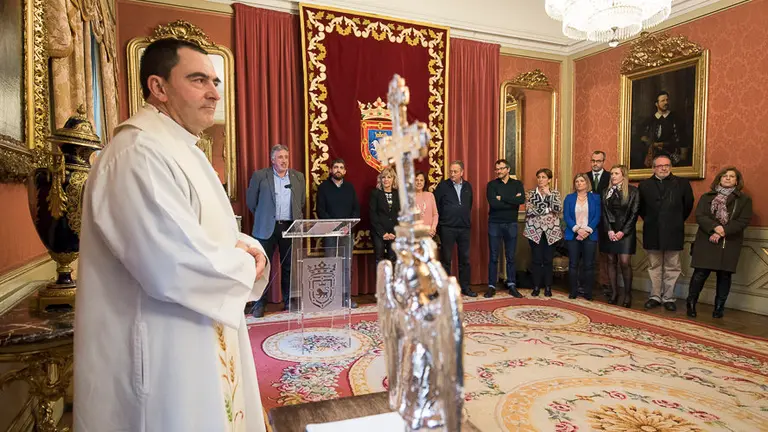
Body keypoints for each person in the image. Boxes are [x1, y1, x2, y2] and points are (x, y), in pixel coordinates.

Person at [74, 38, 270, 432]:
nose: (215, 92)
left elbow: (217, 231)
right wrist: (247, 259)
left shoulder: (184, 148)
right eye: (199, 80)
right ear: (158, 87)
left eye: (215, 81)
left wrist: (248, 245)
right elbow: (170, 261)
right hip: (162, 346)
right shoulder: (137, 153)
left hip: (196, 334)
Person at [246, 144, 306, 317]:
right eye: (280, 157)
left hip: (289, 226)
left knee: (289, 266)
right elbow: (251, 202)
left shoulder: (298, 177)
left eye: (286, 157)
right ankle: (259, 303)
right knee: (262, 266)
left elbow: (300, 201)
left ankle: (289, 301)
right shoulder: (260, 176)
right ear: (272, 160)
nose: (284, 160)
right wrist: (264, 215)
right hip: (266, 227)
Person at [687, 167, 752, 318]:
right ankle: (691, 304)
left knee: (724, 276)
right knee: (700, 274)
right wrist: (715, 228)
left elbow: (743, 221)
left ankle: (719, 308)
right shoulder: (706, 197)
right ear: (719, 178)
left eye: (731, 176)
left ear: (737, 181)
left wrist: (723, 231)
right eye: (725, 176)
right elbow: (700, 215)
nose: (728, 178)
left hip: (729, 242)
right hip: (706, 239)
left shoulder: (744, 200)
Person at [638, 154, 694, 311]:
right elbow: (641, 209)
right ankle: (655, 296)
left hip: (673, 231)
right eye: (660, 166)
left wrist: (674, 220)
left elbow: (687, 206)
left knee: (672, 267)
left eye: (667, 165)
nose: (664, 168)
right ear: (653, 168)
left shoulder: (682, 184)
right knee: (654, 266)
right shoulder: (645, 185)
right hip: (652, 230)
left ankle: (669, 297)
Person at [317, 158, 360, 308]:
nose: (338, 170)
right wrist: (335, 226)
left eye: (341, 167)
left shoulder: (350, 188)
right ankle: (330, 299)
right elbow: (321, 210)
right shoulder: (323, 188)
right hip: (330, 232)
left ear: (345, 171)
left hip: (347, 232)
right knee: (330, 265)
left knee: (346, 265)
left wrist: (347, 226)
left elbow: (356, 209)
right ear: (331, 170)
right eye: (336, 167)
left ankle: (346, 298)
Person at [434, 160, 476, 297]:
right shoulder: (442, 186)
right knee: (446, 260)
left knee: (465, 259)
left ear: (462, 172)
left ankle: (465, 287)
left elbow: (468, 205)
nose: (452, 174)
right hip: (447, 228)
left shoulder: (468, 186)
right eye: (451, 171)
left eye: (455, 171)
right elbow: (437, 206)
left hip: (464, 228)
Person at [601, 165, 640, 308]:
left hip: (626, 232)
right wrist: (610, 231)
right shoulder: (606, 192)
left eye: (616, 173)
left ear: (623, 175)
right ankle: (614, 293)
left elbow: (634, 214)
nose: (613, 176)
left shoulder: (633, 191)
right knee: (611, 260)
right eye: (612, 173)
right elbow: (604, 213)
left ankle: (628, 294)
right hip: (610, 231)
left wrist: (622, 232)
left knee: (624, 262)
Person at [485, 158, 525, 298]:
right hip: (495, 223)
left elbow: (521, 200)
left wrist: (502, 198)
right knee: (494, 256)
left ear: (508, 169)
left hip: (511, 223)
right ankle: (491, 286)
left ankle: (512, 285)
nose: (499, 171)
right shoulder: (491, 185)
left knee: (511, 257)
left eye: (501, 168)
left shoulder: (517, 184)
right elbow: (494, 204)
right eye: (497, 169)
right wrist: (511, 199)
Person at [524, 168, 562, 297]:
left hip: (551, 232)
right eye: (539, 177)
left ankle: (548, 287)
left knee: (548, 260)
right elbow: (529, 211)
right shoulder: (530, 194)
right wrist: (547, 209)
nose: (540, 179)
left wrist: (549, 196)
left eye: (544, 177)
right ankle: (536, 287)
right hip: (534, 231)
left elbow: (557, 208)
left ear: (549, 180)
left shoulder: (555, 193)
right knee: (536, 260)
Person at [563, 173, 601, 300]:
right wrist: (577, 230)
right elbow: (567, 216)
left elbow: (597, 216)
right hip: (573, 235)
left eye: (582, 181)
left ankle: (588, 292)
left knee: (589, 265)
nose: (579, 183)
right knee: (573, 264)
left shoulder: (595, 198)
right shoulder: (569, 198)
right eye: (577, 181)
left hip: (589, 235)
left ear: (587, 183)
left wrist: (587, 230)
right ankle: (573, 291)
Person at [638, 91, 687, 168]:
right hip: (654, 157)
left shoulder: (676, 118)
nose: (666, 102)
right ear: (656, 104)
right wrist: (651, 143)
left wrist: (682, 155)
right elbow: (643, 137)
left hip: (672, 156)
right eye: (663, 101)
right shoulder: (650, 120)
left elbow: (683, 138)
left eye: (667, 100)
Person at [589, 150, 611, 298]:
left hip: (605, 221)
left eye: (598, 161)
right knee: (588, 253)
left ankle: (605, 283)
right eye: (593, 161)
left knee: (605, 254)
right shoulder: (585, 177)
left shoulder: (611, 177)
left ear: (603, 162)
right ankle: (588, 282)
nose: (595, 163)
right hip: (587, 221)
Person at [370, 167, 400, 264]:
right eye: (383, 177)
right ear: (380, 179)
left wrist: (394, 233)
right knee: (380, 260)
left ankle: (393, 279)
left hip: (394, 232)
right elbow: (373, 215)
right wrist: (383, 233)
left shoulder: (398, 194)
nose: (386, 179)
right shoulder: (375, 193)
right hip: (379, 232)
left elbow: (401, 214)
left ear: (393, 179)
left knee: (393, 258)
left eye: (389, 177)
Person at [414, 170, 438, 237]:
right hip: (415, 235)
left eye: (421, 180)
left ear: (425, 182)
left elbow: (435, 215)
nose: (419, 182)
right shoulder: (409, 197)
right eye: (416, 180)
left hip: (430, 234)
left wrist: (433, 229)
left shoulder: (430, 195)